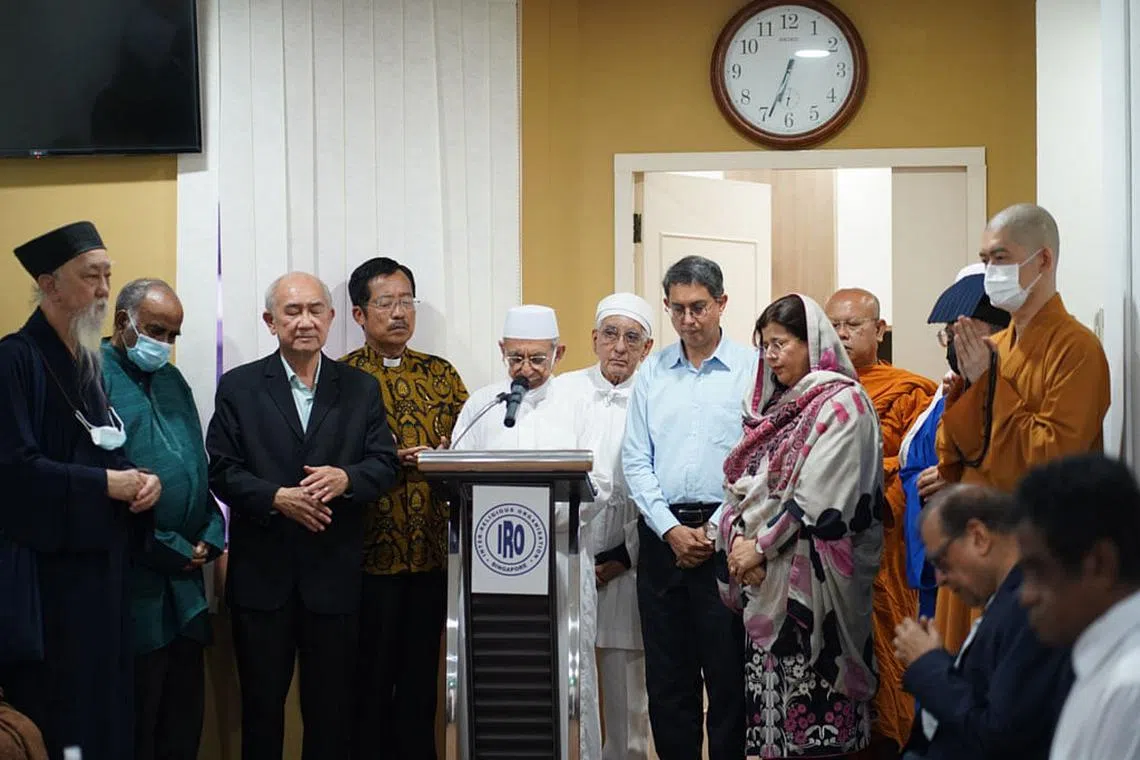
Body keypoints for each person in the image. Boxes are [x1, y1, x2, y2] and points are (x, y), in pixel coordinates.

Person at [205, 272, 400, 760]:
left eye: (315, 310)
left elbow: (384, 464)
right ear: (270, 321)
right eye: (292, 312)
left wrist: (346, 478)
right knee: (261, 713)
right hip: (262, 580)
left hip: (334, 578)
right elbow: (222, 470)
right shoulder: (239, 386)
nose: (305, 321)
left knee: (331, 715)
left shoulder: (360, 388)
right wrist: (276, 497)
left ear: (331, 318)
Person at [0, 221, 162, 759]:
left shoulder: (87, 362)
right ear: (48, 284)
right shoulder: (15, 358)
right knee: (63, 713)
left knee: (105, 708)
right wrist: (106, 484)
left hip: (101, 570)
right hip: (50, 578)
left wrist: (141, 482)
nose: (103, 290)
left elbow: (106, 449)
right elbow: (14, 469)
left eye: (107, 276)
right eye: (91, 277)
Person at [932, 204, 1110, 653]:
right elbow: (954, 455)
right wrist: (968, 389)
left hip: (1033, 552)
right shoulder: (994, 347)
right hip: (974, 541)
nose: (990, 272)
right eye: (985, 259)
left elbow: (1052, 459)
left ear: (1043, 260)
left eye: (1000, 258)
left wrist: (988, 385)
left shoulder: (1078, 349)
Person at [718, 293, 882, 759]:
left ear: (813, 343)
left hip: (815, 590)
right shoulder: (772, 409)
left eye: (781, 344)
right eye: (764, 345)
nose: (770, 356)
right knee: (772, 736)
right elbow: (740, 485)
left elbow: (819, 501)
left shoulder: (844, 404)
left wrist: (758, 547)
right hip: (763, 584)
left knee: (818, 736)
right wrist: (738, 542)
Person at [452, 304, 602, 760]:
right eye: (516, 358)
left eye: (538, 358)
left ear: (559, 353)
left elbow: (602, 485)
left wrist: (533, 519)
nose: (526, 369)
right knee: (498, 670)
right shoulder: (483, 404)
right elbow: (456, 477)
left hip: (561, 557)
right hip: (492, 565)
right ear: (502, 350)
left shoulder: (580, 403)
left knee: (566, 672)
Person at [622, 255, 753, 760]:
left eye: (698, 307)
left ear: (722, 304)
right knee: (668, 678)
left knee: (728, 675)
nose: (687, 319)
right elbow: (636, 460)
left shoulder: (752, 369)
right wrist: (670, 530)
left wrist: (716, 528)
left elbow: (758, 458)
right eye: (677, 309)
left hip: (729, 536)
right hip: (663, 539)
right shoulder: (652, 373)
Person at [340, 257, 468, 760]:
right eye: (386, 302)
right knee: (367, 683)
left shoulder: (440, 374)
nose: (399, 313)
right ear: (359, 314)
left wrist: (443, 456)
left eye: (407, 301)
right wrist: (386, 458)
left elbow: (469, 445)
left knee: (419, 685)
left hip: (431, 556)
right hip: (366, 559)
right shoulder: (341, 378)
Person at [102, 278, 226, 760]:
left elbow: (194, 464)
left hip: (186, 589)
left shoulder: (173, 380)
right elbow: (97, 488)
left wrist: (211, 531)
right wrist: (171, 547)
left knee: (182, 722)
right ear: (123, 322)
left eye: (173, 335)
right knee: (138, 725)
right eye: (156, 331)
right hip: (133, 584)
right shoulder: (89, 379)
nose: (165, 344)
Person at [825, 287, 937, 750]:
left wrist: (861, 477)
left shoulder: (911, 390)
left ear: (880, 329)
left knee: (889, 651)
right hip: (825, 546)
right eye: (834, 325)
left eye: (853, 325)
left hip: (885, 544)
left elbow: (917, 465)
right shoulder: (813, 391)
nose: (842, 334)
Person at [893, 484, 1072, 760]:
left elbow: (997, 738)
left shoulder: (1031, 608)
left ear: (978, 537)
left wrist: (929, 664)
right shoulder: (1010, 597)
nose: (940, 579)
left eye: (942, 561)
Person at [558, 293, 655, 760]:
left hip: (628, 567)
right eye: (611, 335)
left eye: (631, 338)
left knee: (627, 699)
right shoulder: (563, 391)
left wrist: (622, 557)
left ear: (647, 347)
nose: (619, 347)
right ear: (594, 338)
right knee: (567, 689)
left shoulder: (655, 395)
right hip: (566, 560)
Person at [898, 265, 1010, 619]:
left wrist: (955, 480)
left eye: (963, 333)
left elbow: (1017, 459)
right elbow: (912, 461)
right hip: (940, 550)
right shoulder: (950, 392)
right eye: (948, 335)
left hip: (985, 552)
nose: (954, 344)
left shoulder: (1013, 387)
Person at [1014, 454, 1140, 760]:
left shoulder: (1129, 687)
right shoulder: (1099, 665)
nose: (1026, 596)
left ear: (1099, 564)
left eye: (1038, 571)